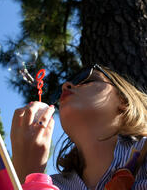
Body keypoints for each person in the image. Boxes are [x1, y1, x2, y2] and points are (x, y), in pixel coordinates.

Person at [11, 64, 147, 189]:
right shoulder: (54, 185)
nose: (65, 85)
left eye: (87, 79)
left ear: (123, 101)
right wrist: (24, 174)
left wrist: (27, 176)